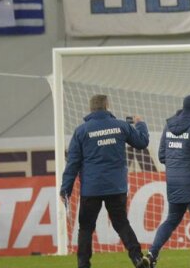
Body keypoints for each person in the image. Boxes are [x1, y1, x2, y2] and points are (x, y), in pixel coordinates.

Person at [59, 95, 151, 268]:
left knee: (86, 228)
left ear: (91, 108)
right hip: (116, 187)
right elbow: (142, 142)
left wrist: (65, 189)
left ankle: (83, 264)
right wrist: (140, 124)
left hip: (91, 189)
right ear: (107, 106)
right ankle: (138, 259)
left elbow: (73, 163)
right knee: (121, 223)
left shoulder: (82, 131)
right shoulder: (121, 126)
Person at [147, 94, 190, 268]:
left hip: (174, 183)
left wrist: (176, 166)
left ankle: (151, 254)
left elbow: (162, 155)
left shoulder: (169, 126)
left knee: (170, 220)